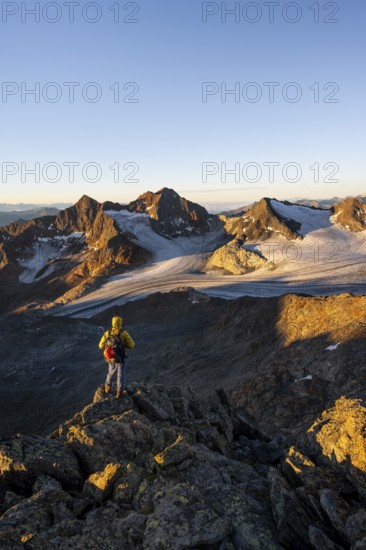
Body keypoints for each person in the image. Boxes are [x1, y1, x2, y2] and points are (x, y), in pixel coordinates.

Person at [98, 316, 135, 398]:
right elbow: (132, 345)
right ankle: (119, 392)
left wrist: (109, 348)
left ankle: (107, 386)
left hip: (111, 357)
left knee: (111, 371)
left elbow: (100, 345)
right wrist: (124, 345)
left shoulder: (107, 333)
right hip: (121, 357)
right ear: (120, 323)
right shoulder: (123, 333)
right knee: (120, 374)